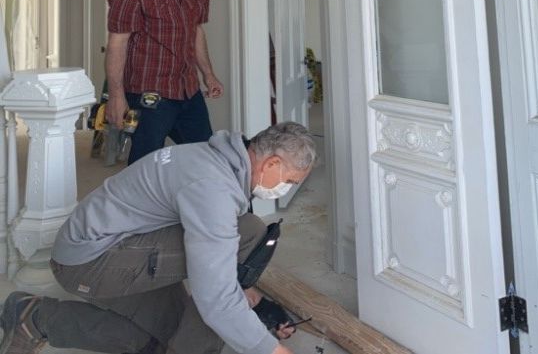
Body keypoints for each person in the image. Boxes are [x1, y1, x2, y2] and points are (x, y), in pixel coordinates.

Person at [0, 121, 316, 354]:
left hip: (116, 242)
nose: (286, 188)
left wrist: (251, 299)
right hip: (91, 262)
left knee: (246, 234)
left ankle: (32, 316)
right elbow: (215, 299)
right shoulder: (212, 188)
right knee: (199, 322)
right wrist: (272, 350)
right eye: (289, 180)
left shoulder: (215, 158)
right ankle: (44, 319)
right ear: (271, 163)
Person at [105, 0, 224, 164]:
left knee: (208, 158)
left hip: (188, 90)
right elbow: (117, 45)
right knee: (145, 165)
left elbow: (196, 32)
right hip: (149, 94)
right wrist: (116, 97)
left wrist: (208, 75)